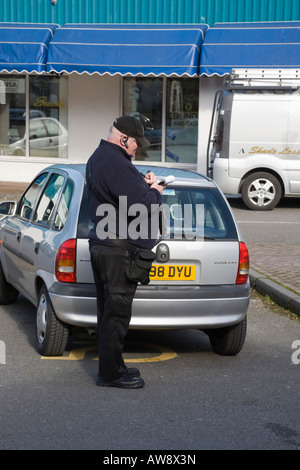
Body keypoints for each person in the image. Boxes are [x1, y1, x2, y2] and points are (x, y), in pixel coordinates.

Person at [86, 116, 165, 389]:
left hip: (107, 247)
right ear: (123, 139)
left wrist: (143, 184)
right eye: (136, 144)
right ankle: (110, 374)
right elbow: (140, 208)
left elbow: (122, 197)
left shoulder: (101, 158)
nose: (137, 149)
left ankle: (115, 366)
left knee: (110, 312)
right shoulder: (115, 162)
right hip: (117, 252)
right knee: (116, 314)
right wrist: (156, 191)